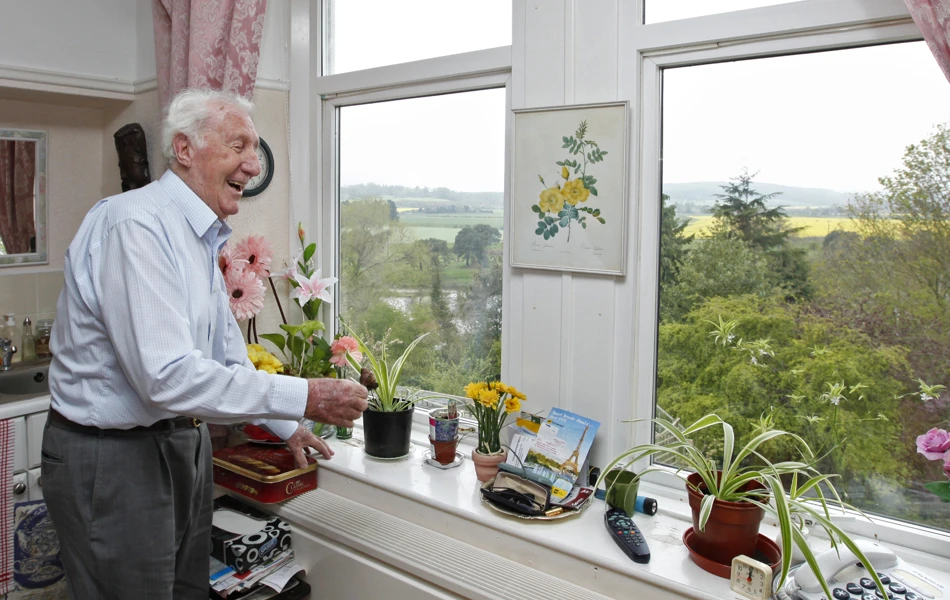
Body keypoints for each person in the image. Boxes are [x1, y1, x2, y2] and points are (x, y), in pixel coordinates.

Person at [42, 88, 368, 600]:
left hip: (181, 444)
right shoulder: (137, 225)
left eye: (255, 150)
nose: (253, 165)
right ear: (185, 150)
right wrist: (304, 395)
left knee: (187, 591)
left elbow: (224, 349)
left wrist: (285, 425)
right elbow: (165, 377)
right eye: (239, 146)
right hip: (115, 457)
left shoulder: (201, 233)